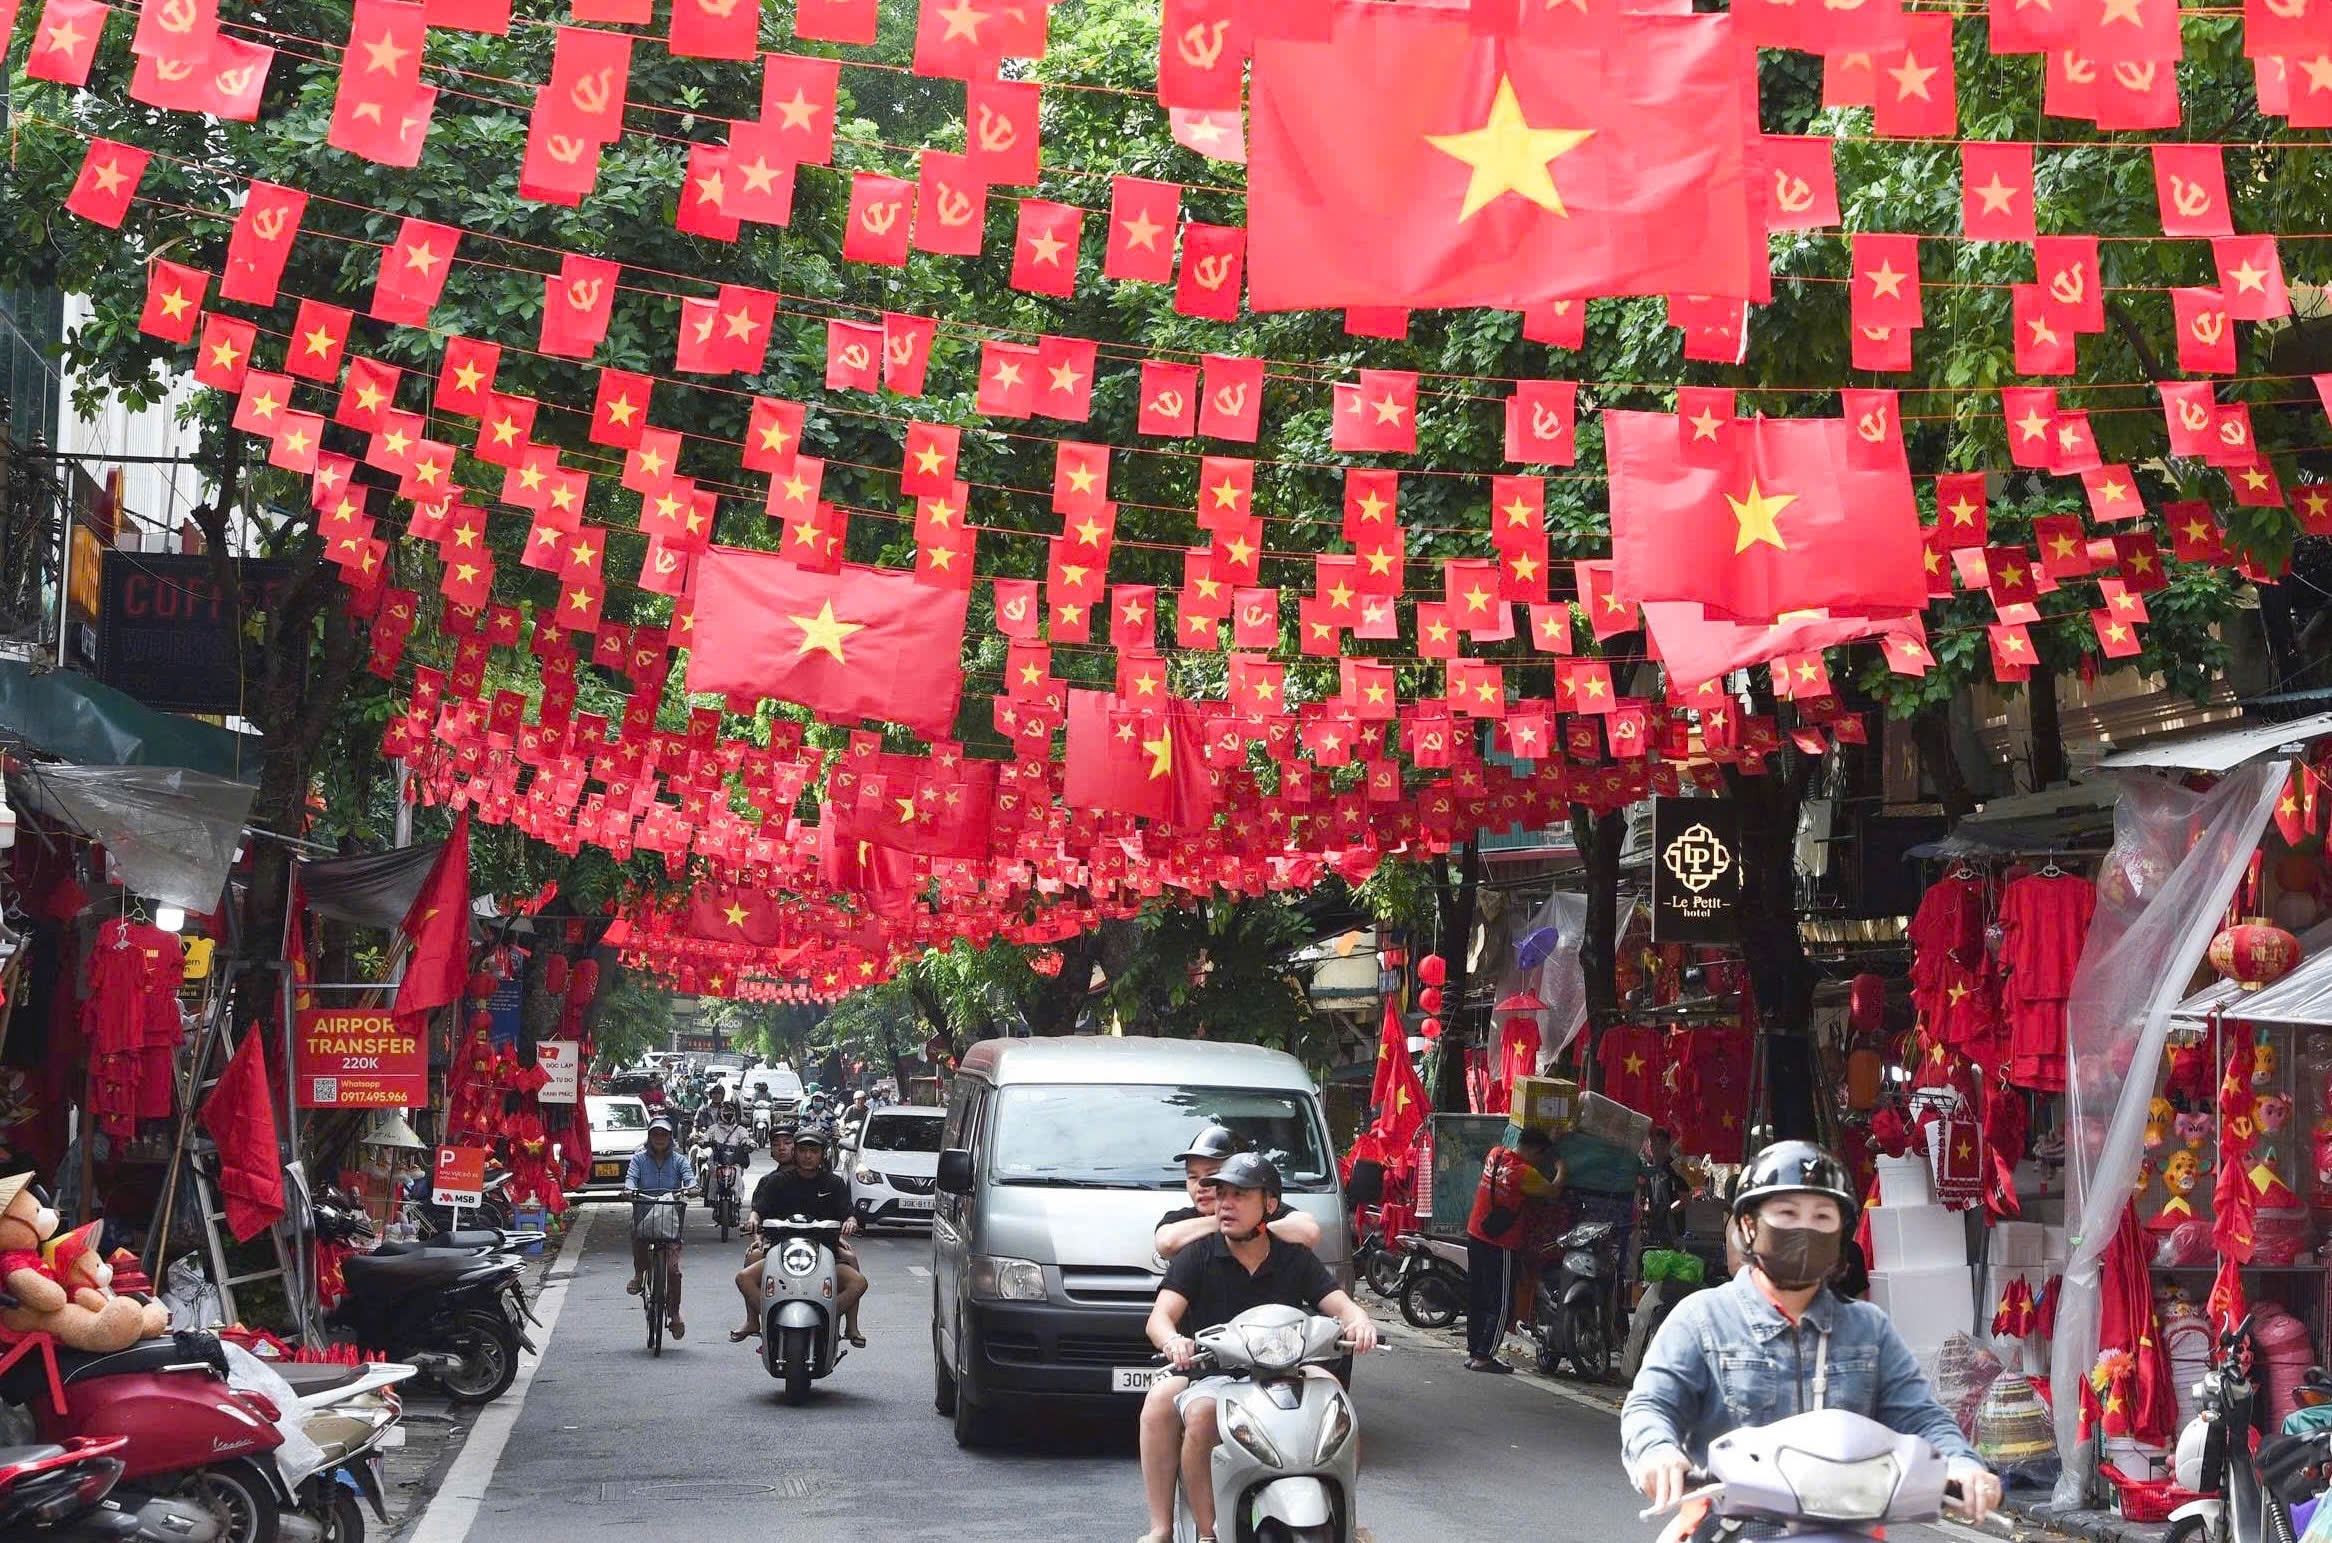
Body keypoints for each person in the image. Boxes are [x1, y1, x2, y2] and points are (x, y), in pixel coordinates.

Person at [1621, 1140, 2002, 1529]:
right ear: (1749, 1226)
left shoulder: (1869, 1329)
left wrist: (1961, 1464)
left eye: (1822, 1216)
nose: (1804, 1229)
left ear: (1840, 1235)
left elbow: (1921, 1416)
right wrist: (1657, 1451)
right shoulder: (1702, 1319)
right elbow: (1651, 1405)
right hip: (1727, 1528)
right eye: (1787, 1213)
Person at [1138, 1154, 1378, 1543]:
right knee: (1201, 1416)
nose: (1226, 1204)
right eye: (1222, 1195)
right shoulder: (1198, 1254)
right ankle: (1207, 1532)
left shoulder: (1292, 1255)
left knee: (1336, 1401)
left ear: (1269, 1204)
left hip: (1287, 1370)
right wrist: (1173, 1341)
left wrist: (1360, 1322)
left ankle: (1347, 1519)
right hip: (1216, 1375)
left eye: (1240, 1195)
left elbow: (1341, 1305)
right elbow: (1159, 1318)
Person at [731, 1125, 869, 1347]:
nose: (807, 1156)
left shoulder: (834, 1183)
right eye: (803, 1150)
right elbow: (759, 1210)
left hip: (826, 1253)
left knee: (858, 1282)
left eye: (813, 1151)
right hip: (781, 1252)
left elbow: (848, 1213)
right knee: (744, 1277)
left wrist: (851, 1222)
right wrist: (753, 1220)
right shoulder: (777, 1181)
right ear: (795, 1152)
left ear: (823, 1154)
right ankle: (765, 1319)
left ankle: (839, 1321)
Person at [1464, 1126, 1564, 1373]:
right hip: (1500, 1242)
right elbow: (1554, 1191)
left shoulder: (1495, 1154)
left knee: (1478, 1297)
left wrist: (1549, 1139)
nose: (1539, 1162)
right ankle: (1484, 1357)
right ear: (1534, 1151)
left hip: (1476, 1232)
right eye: (1540, 1156)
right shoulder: (1525, 1173)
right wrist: (1562, 1168)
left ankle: (1474, 1351)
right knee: (1502, 1304)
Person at [1153, 1125, 1323, 1261]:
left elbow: (1309, 1232)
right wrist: (1239, 1224)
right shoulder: (1181, 1218)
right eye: (1192, 1177)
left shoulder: (1265, 1209)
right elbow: (1166, 1243)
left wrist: (1255, 1229)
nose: (1200, 1185)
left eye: (1212, 1174)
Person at [623, 1117, 695, 1341]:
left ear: (670, 1137)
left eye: (664, 1134)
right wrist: (629, 1190)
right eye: (655, 1134)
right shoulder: (639, 1159)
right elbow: (631, 1179)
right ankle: (639, 1274)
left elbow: (690, 1179)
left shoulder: (679, 1160)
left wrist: (692, 1188)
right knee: (637, 1234)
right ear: (650, 1137)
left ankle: (675, 1313)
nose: (660, 1138)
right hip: (644, 1213)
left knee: (673, 1271)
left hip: (670, 1216)